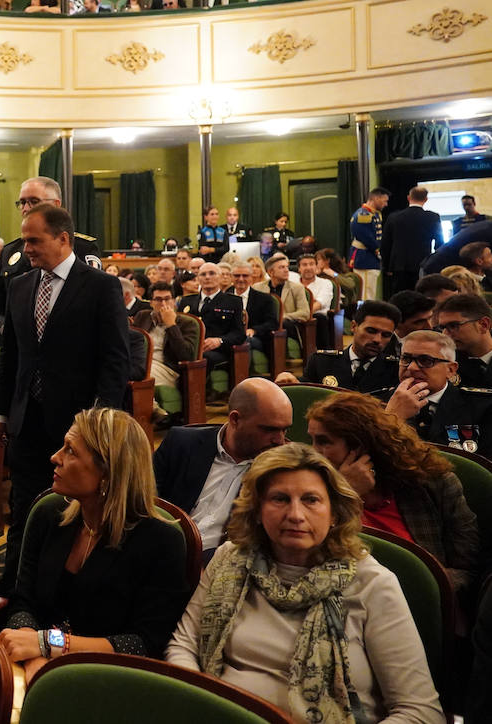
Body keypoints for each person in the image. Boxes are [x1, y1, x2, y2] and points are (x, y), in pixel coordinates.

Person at [166, 442, 443, 724]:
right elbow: (183, 646)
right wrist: (198, 705)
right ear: (257, 510)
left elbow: (420, 712)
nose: (296, 515)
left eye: (311, 500)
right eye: (279, 499)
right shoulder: (230, 559)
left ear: (334, 512)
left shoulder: (373, 583)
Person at [0, 204, 128, 597]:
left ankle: (64, 588)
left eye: (34, 240)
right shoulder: (19, 286)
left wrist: (98, 424)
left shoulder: (101, 286)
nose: (26, 248)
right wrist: (0, 413)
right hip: (26, 421)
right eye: (25, 240)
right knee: (23, 510)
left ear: (63, 238)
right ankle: (13, 586)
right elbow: (11, 358)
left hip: (78, 426)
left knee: (74, 512)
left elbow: (115, 360)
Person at [0, 408, 189, 681]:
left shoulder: (161, 541)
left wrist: (47, 645)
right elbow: (22, 600)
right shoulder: (49, 515)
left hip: (108, 678)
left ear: (108, 474)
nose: (55, 457)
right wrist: (34, 659)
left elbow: (143, 643)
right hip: (32, 664)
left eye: (71, 451)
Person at [307, 390, 480, 595]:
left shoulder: (433, 484)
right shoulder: (313, 490)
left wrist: (426, 585)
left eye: (324, 442)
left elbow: (469, 569)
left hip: (421, 601)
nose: (313, 452)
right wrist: (346, 494)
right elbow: (310, 561)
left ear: (358, 445)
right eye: (313, 440)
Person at [153, 378, 292, 554]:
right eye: (269, 430)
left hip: (222, 564)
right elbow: (144, 500)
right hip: (161, 550)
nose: (279, 440)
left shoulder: (282, 468)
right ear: (235, 419)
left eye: (285, 430)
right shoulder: (181, 443)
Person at [0, 176, 102, 316]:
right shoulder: (9, 251)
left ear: (56, 204)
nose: (26, 209)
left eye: (34, 202)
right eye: (22, 202)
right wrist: (3, 331)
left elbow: (93, 300)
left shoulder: (81, 246)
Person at [377, 329, 492, 451]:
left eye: (425, 360)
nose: (411, 367)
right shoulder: (373, 403)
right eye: (406, 359)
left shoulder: (482, 407)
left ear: (451, 370)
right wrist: (392, 416)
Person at [276, 300, 400, 392]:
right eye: (371, 331)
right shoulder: (322, 362)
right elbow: (303, 390)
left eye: (386, 335)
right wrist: (289, 381)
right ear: (353, 327)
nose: (377, 340)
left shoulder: (395, 369)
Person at [177, 262, 244, 371]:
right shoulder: (186, 301)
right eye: (203, 274)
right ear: (198, 278)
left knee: (200, 359)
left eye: (212, 273)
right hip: (190, 347)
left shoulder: (233, 301)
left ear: (220, 277)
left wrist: (219, 341)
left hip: (216, 351)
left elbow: (239, 334)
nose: (207, 277)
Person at [382, 186, 440, 295]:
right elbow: (439, 243)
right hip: (422, 265)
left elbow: (385, 244)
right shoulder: (432, 217)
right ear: (426, 199)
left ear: (408, 198)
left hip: (399, 266)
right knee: (420, 296)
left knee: (400, 297)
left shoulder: (394, 217)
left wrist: (387, 266)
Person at [434, 293, 492, 387]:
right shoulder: (443, 364)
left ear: (483, 324)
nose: (445, 334)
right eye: (442, 327)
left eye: (453, 326)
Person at [348, 187, 389, 302]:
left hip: (369, 257)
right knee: (366, 294)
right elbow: (367, 238)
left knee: (370, 291)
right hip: (364, 257)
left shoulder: (373, 214)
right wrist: (377, 249)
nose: (386, 204)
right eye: (384, 201)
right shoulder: (363, 215)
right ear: (376, 198)